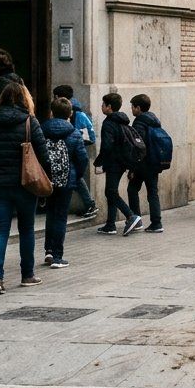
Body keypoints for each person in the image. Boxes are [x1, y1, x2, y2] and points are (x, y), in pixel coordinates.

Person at [0, 81, 51, 294]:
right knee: (26, 229)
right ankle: (27, 274)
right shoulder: (30, 122)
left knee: (0, 230)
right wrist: (48, 182)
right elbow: (44, 156)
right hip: (25, 184)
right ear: (25, 99)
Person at [40, 98, 84, 269]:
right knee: (60, 217)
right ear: (70, 114)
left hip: (47, 179)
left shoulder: (42, 130)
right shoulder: (74, 133)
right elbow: (81, 159)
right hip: (66, 181)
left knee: (50, 214)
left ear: (51, 112)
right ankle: (58, 257)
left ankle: (48, 251)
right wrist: (76, 176)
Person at [93, 92, 142, 236]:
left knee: (110, 192)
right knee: (111, 191)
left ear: (109, 107)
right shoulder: (122, 120)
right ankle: (110, 224)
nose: (101, 107)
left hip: (113, 162)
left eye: (103, 104)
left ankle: (131, 216)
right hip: (122, 162)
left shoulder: (109, 123)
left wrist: (99, 160)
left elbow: (107, 146)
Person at [53, 84, 98, 220]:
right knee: (76, 178)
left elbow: (88, 135)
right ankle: (89, 204)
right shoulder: (79, 112)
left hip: (69, 150)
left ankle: (90, 204)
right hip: (75, 149)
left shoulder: (75, 113)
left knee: (76, 179)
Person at [128, 94, 166, 233]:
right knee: (153, 193)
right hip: (154, 162)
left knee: (132, 190)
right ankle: (157, 223)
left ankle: (136, 220)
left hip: (142, 164)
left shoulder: (139, 122)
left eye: (132, 107)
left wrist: (132, 167)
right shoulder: (154, 120)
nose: (131, 109)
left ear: (138, 108)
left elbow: (137, 146)